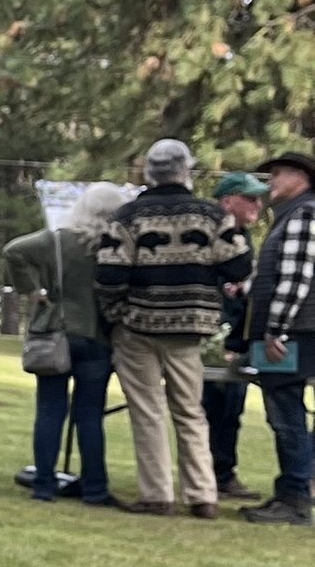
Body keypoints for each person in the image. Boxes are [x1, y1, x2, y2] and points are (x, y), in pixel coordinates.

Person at [93, 139, 249, 519]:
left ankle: (157, 495)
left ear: (149, 172)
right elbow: (240, 267)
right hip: (190, 328)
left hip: (139, 326)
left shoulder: (127, 216)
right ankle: (202, 495)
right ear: (186, 170)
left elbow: (109, 273)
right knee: (190, 411)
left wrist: (116, 313)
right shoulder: (212, 216)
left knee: (147, 410)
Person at [2, 184, 124, 508]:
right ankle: (95, 488)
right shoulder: (116, 247)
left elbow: (13, 251)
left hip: (56, 333)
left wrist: (32, 291)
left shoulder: (56, 240)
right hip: (97, 338)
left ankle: (43, 484)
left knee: (49, 410)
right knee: (89, 415)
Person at [237, 145, 315, 525]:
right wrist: (247, 286)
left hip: (293, 334)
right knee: (288, 415)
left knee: (286, 415)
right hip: (296, 331)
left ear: (301, 178)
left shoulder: (302, 214)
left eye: (278, 174)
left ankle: (295, 498)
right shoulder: (292, 216)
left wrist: (276, 330)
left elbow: (296, 279)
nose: (271, 181)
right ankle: (295, 490)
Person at [198, 171, 267, 499]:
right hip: (210, 337)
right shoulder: (210, 236)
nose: (258, 204)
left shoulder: (244, 239)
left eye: (259, 197)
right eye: (250, 198)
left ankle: (223, 474)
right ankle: (207, 476)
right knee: (210, 408)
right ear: (227, 201)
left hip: (237, 337)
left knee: (231, 409)